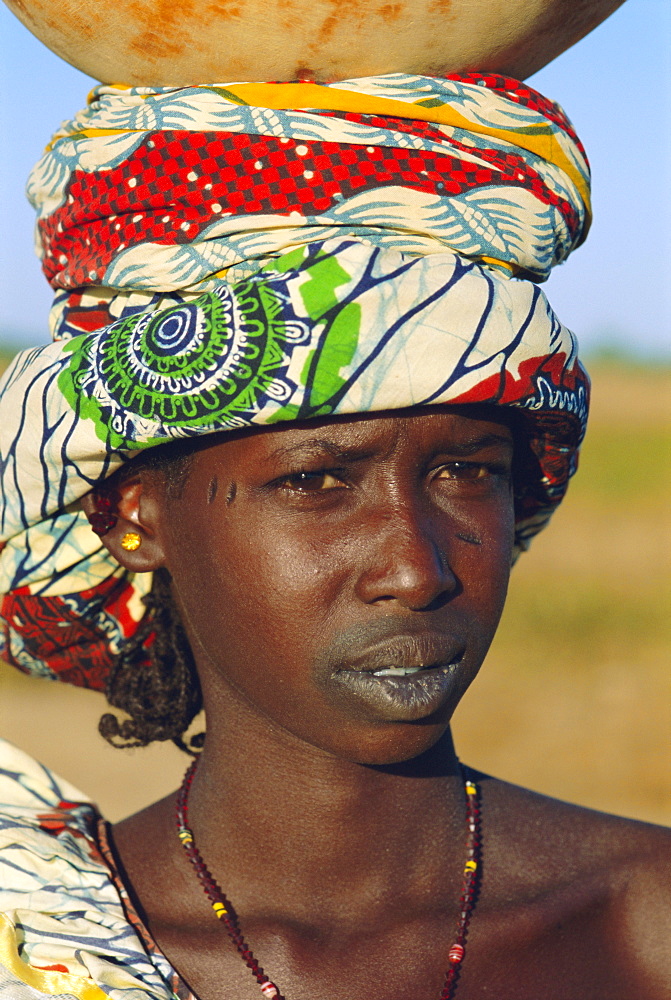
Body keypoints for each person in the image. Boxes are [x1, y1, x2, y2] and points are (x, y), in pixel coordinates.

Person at [0, 72, 669, 1000]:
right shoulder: (39, 940)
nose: (413, 568)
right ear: (134, 516)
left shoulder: (642, 924)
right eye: (314, 481)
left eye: (466, 472)